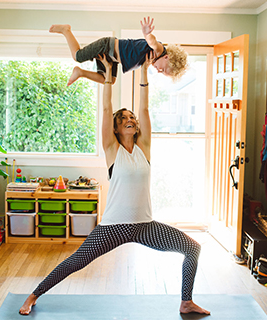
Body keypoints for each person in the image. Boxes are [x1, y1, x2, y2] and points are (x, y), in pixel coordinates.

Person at [19, 53, 209, 316]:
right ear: (116, 129)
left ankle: (186, 301)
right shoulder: (112, 150)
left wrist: (143, 70)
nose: (130, 119)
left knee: (192, 248)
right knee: (76, 261)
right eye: (124, 119)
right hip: (113, 227)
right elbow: (107, 109)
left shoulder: (144, 149)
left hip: (144, 226)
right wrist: (108, 76)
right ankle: (33, 295)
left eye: (132, 118)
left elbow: (144, 108)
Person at [49, 17, 188, 86]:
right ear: (167, 57)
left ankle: (81, 72)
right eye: (162, 70)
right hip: (107, 46)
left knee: (108, 80)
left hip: (112, 58)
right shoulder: (158, 50)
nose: (158, 71)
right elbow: (152, 41)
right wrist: (147, 34)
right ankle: (66, 30)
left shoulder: (150, 59)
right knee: (78, 56)